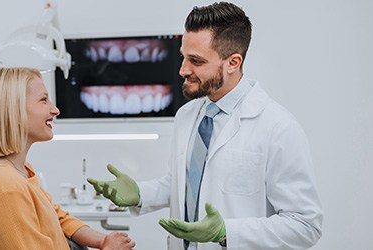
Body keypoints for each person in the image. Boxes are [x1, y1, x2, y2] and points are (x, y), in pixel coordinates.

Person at [88, 2, 323, 250]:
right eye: (183, 57)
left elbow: (305, 225)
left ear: (233, 62)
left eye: (196, 61)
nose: (182, 70)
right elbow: (188, 184)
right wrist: (140, 193)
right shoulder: (187, 116)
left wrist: (226, 233)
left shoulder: (278, 127)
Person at [0, 67, 136, 250]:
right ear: (13, 110)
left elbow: (57, 218)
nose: (55, 110)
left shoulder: (18, 172)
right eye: (43, 100)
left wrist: (103, 241)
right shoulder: (7, 187)